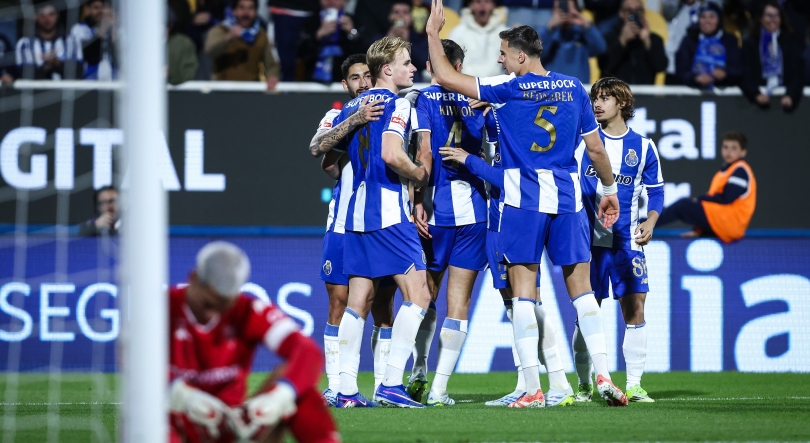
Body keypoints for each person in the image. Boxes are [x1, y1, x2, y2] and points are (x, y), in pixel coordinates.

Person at [425, 0, 627, 408]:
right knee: (583, 292)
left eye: (503, 54)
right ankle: (604, 376)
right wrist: (609, 190)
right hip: (568, 198)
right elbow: (596, 148)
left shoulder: (510, 88)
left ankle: (533, 388)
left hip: (522, 197)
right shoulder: (573, 87)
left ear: (520, 56)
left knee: (523, 293)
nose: (499, 61)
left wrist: (432, 33)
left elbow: (445, 76)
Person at [440, 105, 578, 408]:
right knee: (518, 307)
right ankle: (529, 383)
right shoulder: (500, 128)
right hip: (499, 220)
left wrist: (470, 160)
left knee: (527, 304)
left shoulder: (519, 136)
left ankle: (555, 381)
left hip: (513, 222)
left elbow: (511, 181)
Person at [168, 242, 340, 443]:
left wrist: (279, 397)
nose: (213, 315)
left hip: (232, 425)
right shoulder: (164, 306)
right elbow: (134, 361)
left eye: (222, 307)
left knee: (301, 394)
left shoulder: (247, 311)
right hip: (178, 420)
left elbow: (307, 352)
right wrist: (182, 396)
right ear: (194, 279)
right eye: (207, 305)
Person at [307, 54, 397, 406]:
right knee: (339, 302)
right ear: (346, 85)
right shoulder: (338, 116)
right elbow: (317, 148)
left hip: (382, 220)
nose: (363, 83)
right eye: (355, 78)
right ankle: (336, 386)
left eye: (367, 76)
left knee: (383, 305)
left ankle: (383, 387)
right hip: (343, 223)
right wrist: (357, 119)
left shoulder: (393, 110)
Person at [408, 39, 489, 407]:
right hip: (476, 212)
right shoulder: (481, 101)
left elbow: (423, 151)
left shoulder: (421, 99)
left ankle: (419, 368)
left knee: (425, 296)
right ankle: (440, 390)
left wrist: (416, 200)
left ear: (433, 64)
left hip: (438, 211)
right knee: (460, 303)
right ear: (459, 65)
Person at [573, 77, 663, 403]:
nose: (597, 103)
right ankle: (584, 382)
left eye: (605, 98)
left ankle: (635, 384)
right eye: (595, 98)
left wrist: (651, 220)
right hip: (589, 240)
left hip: (628, 240)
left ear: (622, 103)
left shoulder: (642, 146)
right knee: (587, 311)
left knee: (635, 307)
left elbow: (656, 193)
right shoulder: (584, 142)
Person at [657, 131, 756, 243]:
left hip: (730, 223)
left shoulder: (740, 170)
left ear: (743, 152)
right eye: (725, 147)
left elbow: (726, 198)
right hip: (723, 222)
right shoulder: (723, 173)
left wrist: (700, 199)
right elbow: (714, 203)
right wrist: (698, 229)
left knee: (682, 206)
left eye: (734, 148)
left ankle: (644, 224)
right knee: (682, 207)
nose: (729, 152)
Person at [740, 1, 803, 112]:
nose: (772, 19)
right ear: (760, 18)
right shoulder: (750, 43)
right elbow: (745, 72)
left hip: (785, 103)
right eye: (768, 15)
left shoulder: (790, 43)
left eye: (776, 15)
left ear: (781, 19)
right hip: (755, 102)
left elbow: (797, 73)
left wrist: (791, 95)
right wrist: (755, 94)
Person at [204, 0, 280, 90]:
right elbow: (210, 51)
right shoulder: (220, 30)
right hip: (222, 89)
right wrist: (228, 38)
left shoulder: (261, 35)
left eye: (250, 8)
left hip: (251, 90)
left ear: (256, 12)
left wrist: (272, 76)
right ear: (234, 11)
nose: (246, 13)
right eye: (242, 8)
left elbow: (271, 64)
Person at [598, 0, 667, 85]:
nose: (634, 14)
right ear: (621, 13)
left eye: (638, 10)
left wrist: (647, 42)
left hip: (645, 94)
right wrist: (622, 41)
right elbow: (603, 66)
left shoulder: (654, 39)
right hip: (616, 93)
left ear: (644, 13)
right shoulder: (609, 38)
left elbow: (661, 66)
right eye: (629, 11)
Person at [675, 2, 742, 88]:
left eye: (712, 17)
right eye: (703, 17)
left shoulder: (729, 41)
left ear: (719, 20)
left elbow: (739, 69)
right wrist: (696, 78)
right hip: (694, 92)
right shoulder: (690, 40)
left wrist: (725, 73)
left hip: (724, 91)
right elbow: (681, 71)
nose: (707, 21)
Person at [538, 0, 607, 84]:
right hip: (553, 91)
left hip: (578, 90)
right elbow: (535, 52)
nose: (565, 12)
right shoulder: (548, 33)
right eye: (560, 8)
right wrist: (550, 27)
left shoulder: (582, 34)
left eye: (570, 9)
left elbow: (601, 48)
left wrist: (585, 24)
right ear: (552, 11)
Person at [297, 0, 364, 83]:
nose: (331, 1)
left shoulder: (353, 20)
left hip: (345, 80)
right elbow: (301, 53)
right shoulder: (311, 21)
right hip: (313, 81)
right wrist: (319, 34)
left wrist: (351, 32)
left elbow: (363, 54)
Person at [15, 4, 84, 80]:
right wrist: (46, 65)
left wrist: (56, 62)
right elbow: (26, 76)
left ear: (57, 15)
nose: (47, 19)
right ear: (36, 17)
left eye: (51, 14)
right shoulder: (25, 44)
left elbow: (78, 72)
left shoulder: (71, 41)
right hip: (38, 91)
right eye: (42, 15)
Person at [367, 2, 430, 82]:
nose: (400, 16)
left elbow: (423, 63)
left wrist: (407, 42)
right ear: (390, 16)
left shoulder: (419, 38)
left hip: (412, 82)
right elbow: (372, 62)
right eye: (396, 12)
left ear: (411, 17)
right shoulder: (379, 38)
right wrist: (387, 41)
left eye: (405, 12)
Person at [447, 0, 509, 78]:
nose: (482, 5)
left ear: (493, 5)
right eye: (478, 2)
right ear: (470, 5)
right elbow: (450, 62)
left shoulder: (504, 33)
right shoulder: (458, 32)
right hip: (464, 84)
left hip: (496, 85)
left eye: (487, 2)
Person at [69, 0, 116, 80]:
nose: (100, 11)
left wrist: (114, 28)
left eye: (103, 7)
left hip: (113, 79)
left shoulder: (113, 27)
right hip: (87, 79)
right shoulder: (79, 29)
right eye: (96, 8)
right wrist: (103, 29)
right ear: (87, 10)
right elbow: (90, 55)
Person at [167, 8, 199, 85]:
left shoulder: (183, 43)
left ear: (171, 26)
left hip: (176, 93)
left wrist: (169, 73)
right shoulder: (141, 45)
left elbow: (189, 74)